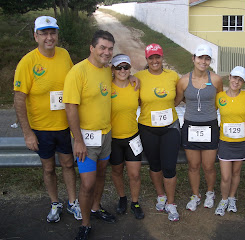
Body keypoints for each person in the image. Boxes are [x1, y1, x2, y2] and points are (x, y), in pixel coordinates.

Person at [13, 16, 81, 223]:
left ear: (57, 35)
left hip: (65, 126)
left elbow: (74, 84)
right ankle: (55, 203)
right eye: (44, 33)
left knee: (69, 165)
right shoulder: (27, 62)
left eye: (52, 33)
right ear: (36, 36)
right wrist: (27, 133)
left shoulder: (64, 55)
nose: (49, 37)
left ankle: (72, 202)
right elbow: (19, 99)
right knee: (49, 168)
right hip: (41, 128)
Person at [63, 30, 117, 240]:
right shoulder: (78, 72)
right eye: (102, 47)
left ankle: (96, 208)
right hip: (85, 139)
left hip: (105, 135)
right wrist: (78, 140)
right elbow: (70, 108)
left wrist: (132, 79)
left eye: (110, 49)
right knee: (87, 184)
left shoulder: (106, 70)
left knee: (101, 175)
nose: (106, 52)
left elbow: (122, 75)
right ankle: (85, 224)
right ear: (92, 48)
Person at [134, 43, 181, 221]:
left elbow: (178, 97)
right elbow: (135, 100)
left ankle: (171, 202)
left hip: (170, 128)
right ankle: (160, 195)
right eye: (151, 58)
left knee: (169, 166)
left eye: (158, 57)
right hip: (147, 128)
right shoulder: (138, 77)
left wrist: (166, 108)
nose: (155, 61)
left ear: (162, 58)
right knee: (154, 165)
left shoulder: (173, 76)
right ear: (147, 59)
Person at [175, 44, 223, 211]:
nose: (203, 61)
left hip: (210, 126)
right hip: (190, 126)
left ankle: (210, 192)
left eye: (207, 58)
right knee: (193, 165)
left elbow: (219, 102)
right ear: (193, 58)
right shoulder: (183, 81)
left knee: (209, 165)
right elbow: (177, 100)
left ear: (209, 61)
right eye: (200, 57)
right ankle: (195, 195)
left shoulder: (216, 80)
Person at [214, 66, 245, 216]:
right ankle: (224, 200)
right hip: (225, 142)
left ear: (243, 82)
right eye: (234, 78)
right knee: (226, 176)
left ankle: (232, 198)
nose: (236, 82)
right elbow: (209, 110)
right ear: (229, 77)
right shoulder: (219, 97)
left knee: (236, 173)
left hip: (242, 141)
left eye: (240, 80)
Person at [109, 54, 144, 219]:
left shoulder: (136, 85)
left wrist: (134, 77)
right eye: (118, 67)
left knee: (135, 174)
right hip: (113, 139)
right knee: (116, 171)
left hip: (132, 137)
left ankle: (135, 202)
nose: (122, 70)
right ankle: (122, 198)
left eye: (126, 67)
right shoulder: (106, 87)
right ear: (113, 69)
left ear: (130, 69)